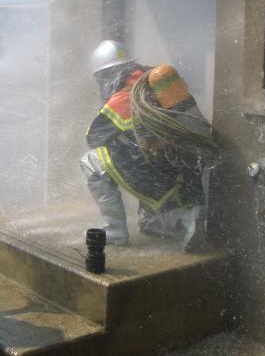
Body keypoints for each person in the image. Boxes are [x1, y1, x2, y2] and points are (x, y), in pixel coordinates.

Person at [80, 40, 219, 251]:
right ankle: (178, 219)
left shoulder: (122, 98)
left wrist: (118, 136)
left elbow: (93, 137)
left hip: (162, 178)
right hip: (186, 177)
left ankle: (115, 231)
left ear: (107, 75)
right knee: (147, 222)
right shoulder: (149, 81)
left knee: (91, 161)